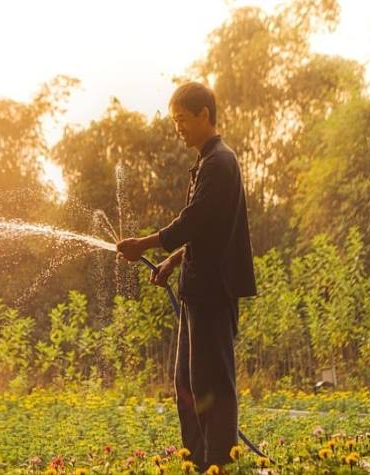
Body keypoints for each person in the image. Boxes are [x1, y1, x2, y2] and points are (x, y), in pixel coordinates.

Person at [116, 81, 257, 471]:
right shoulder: (207, 162)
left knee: (214, 386)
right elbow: (203, 230)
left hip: (214, 292)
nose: (178, 127)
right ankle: (194, 461)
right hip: (197, 289)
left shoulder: (220, 162)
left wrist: (144, 245)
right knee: (188, 386)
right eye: (174, 120)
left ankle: (219, 464)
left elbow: (193, 221)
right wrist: (174, 260)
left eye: (182, 120)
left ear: (204, 116)